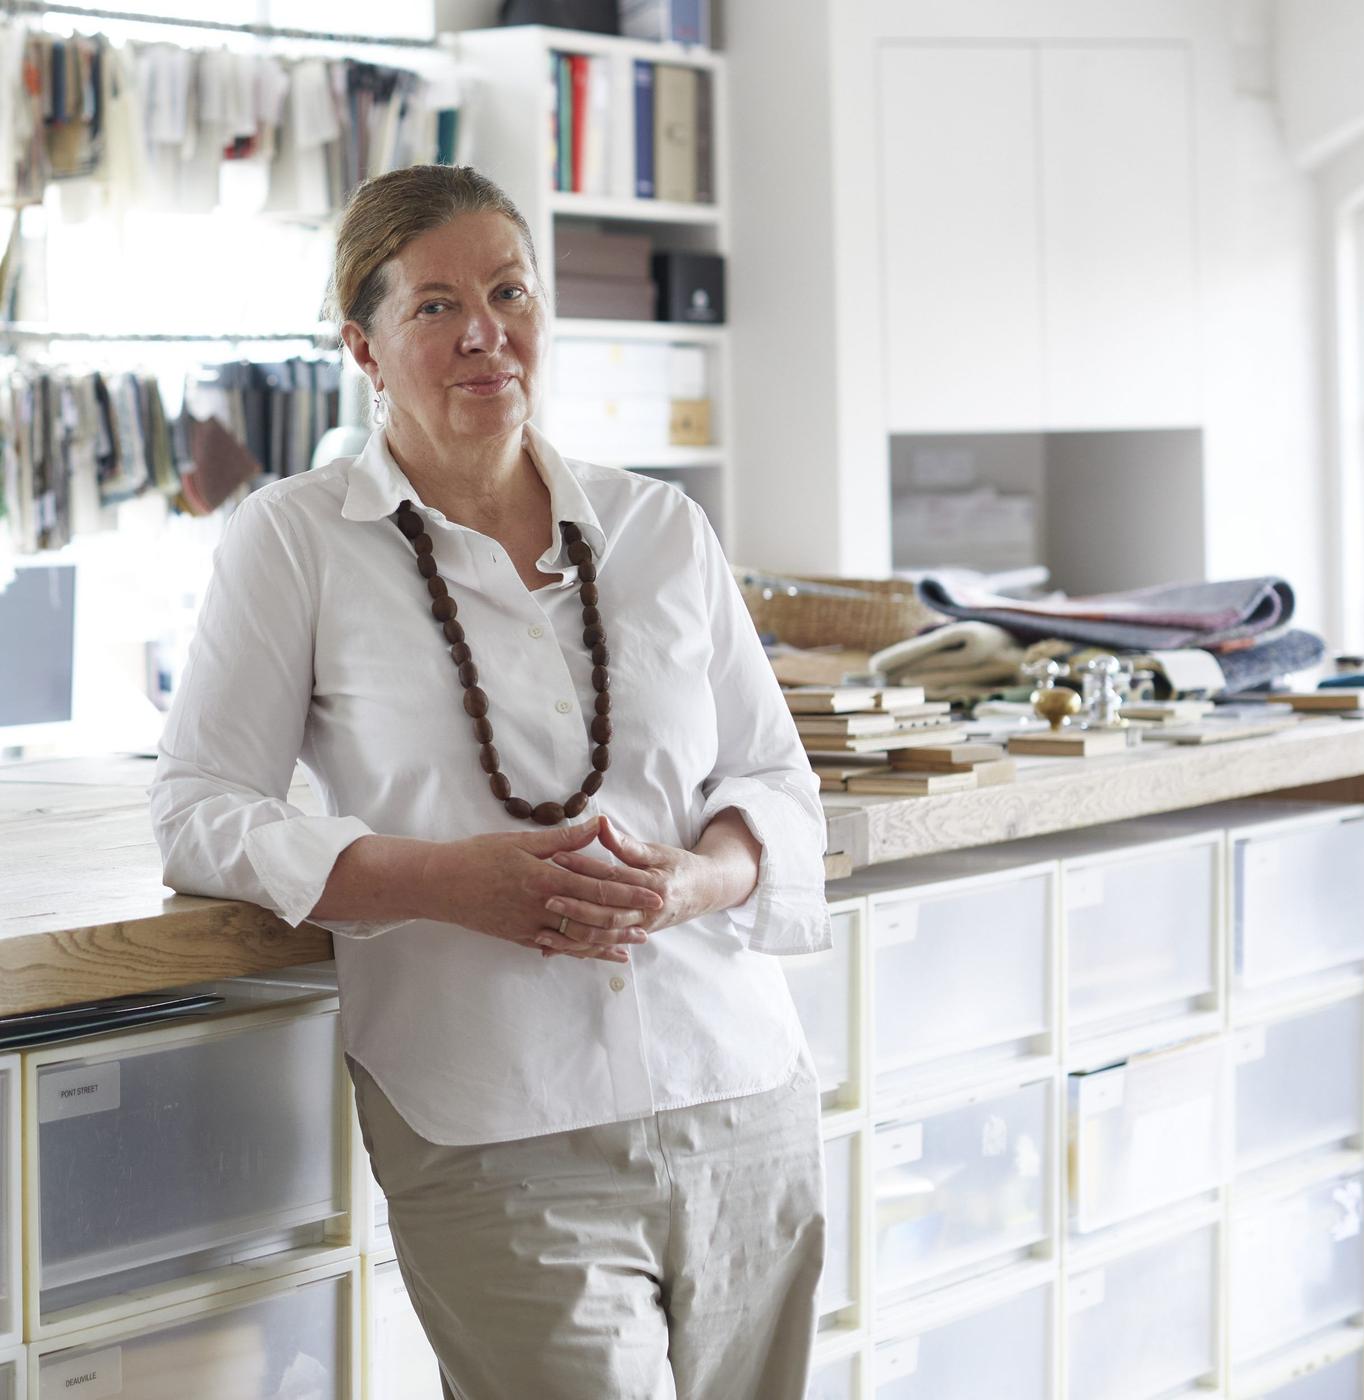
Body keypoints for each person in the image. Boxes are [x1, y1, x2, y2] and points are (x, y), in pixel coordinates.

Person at [148, 163, 832, 1400]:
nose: (484, 332)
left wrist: (701, 875)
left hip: (739, 1088)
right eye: (433, 306)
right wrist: (437, 882)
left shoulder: (662, 527)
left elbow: (772, 776)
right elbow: (197, 803)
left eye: (509, 291)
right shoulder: (294, 540)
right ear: (360, 342)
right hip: (493, 1121)